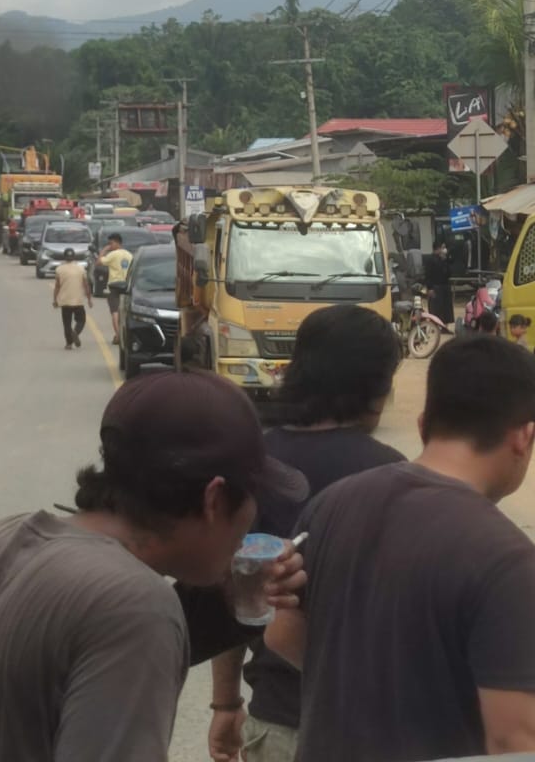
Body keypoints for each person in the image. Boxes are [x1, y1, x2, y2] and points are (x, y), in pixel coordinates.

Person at [0, 371, 308, 762]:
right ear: (215, 500)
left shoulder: (1, 541)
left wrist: (231, 600)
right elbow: (116, 623)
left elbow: (77, 648)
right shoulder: (135, 605)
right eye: (255, 497)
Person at [266, 336, 535, 762]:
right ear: (524, 436)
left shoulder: (331, 504)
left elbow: (281, 635)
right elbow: (514, 742)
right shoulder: (507, 559)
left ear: (425, 424)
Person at [206, 305, 404, 762]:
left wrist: (225, 703)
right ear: (377, 386)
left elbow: (232, 594)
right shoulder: (392, 474)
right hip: (364, 730)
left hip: (274, 720)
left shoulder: (253, 463)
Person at [53, 247, 93, 349]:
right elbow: (86, 285)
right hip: (78, 301)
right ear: (74, 257)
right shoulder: (80, 269)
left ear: (64, 257)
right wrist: (89, 299)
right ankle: (75, 332)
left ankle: (69, 343)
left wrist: (55, 300)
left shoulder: (59, 269)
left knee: (67, 323)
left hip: (65, 301)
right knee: (81, 320)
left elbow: (57, 286)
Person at [99, 232, 133, 344]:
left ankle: (118, 335)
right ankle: (125, 334)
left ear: (117, 243)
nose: (110, 246)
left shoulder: (113, 254)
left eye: (111, 243)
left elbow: (99, 262)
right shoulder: (129, 255)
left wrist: (104, 250)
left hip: (114, 285)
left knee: (114, 311)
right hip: (126, 285)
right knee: (126, 311)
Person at [423, 239, 454, 326]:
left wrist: (445, 261)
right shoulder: (430, 259)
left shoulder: (445, 259)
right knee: (436, 309)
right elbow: (428, 275)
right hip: (435, 287)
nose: (444, 249)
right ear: (438, 248)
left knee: (446, 309)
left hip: (445, 286)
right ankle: (436, 326)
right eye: (443, 247)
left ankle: (445, 326)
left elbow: (449, 273)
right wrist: (430, 288)